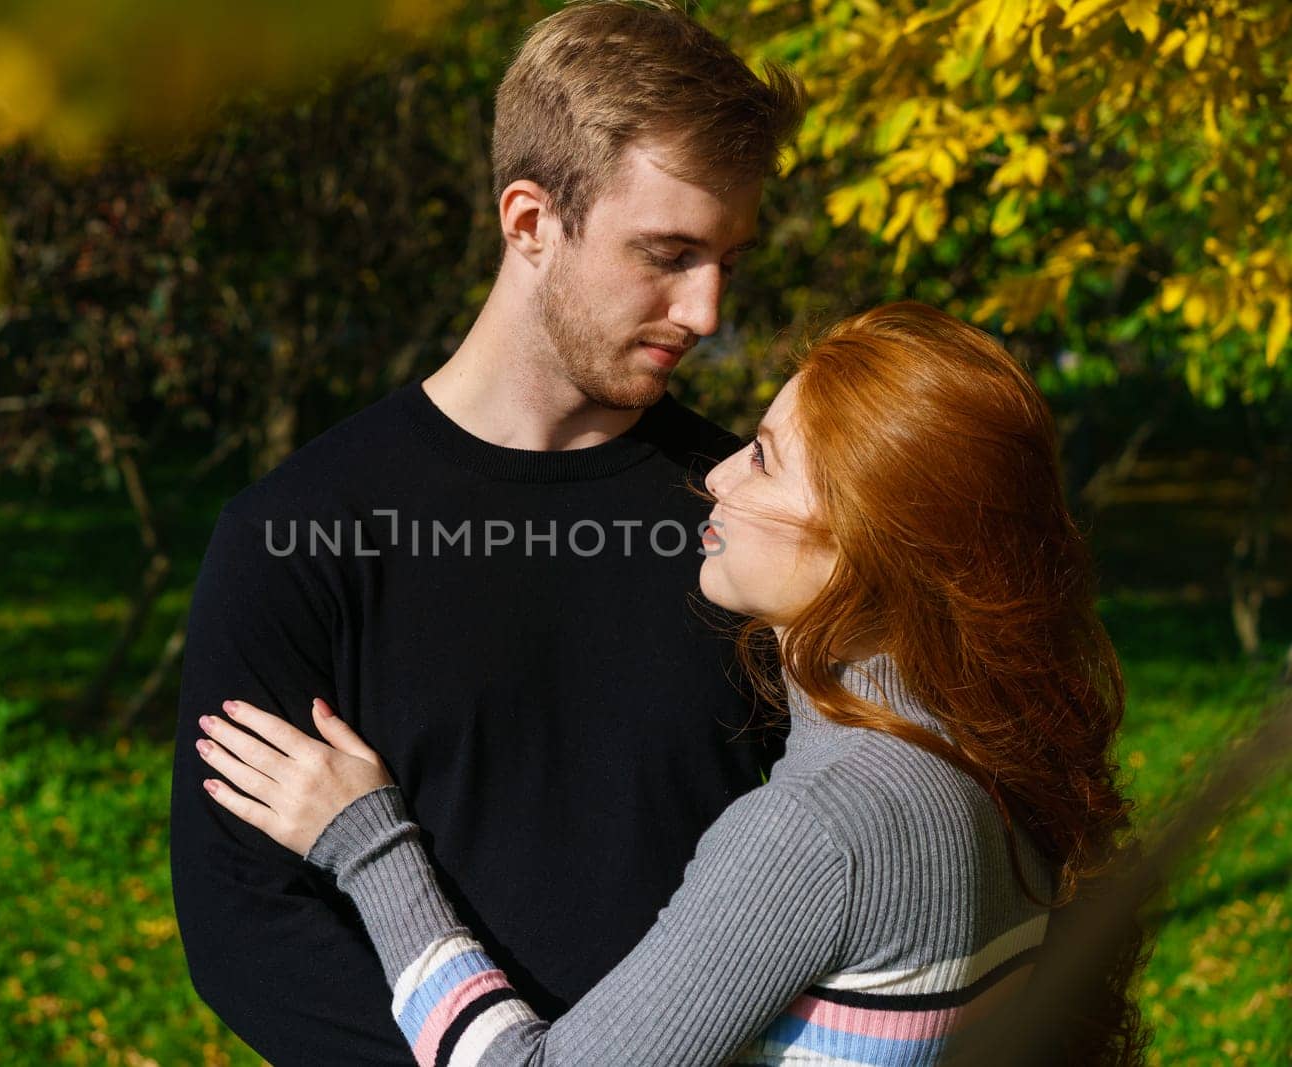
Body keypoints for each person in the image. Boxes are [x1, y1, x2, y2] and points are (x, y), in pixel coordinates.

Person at [196, 303, 1151, 1065]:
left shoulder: (822, 829)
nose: (720, 472)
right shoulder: (981, 744)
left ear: (868, 547)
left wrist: (369, 841)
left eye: (768, 458)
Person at [168, 2, 808, 1063]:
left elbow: (837, 831)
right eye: (667, 253)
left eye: (727, 261)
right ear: (527, 221)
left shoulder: (744, 512)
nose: (703, 311)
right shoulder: (298, 534)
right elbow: (246, 927)